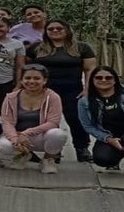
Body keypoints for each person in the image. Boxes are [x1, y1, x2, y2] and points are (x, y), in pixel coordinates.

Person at [26, 19, 96, 162]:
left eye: (59, 28)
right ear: (46, 32)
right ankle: (53, 150)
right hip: (44, 91)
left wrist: (88, 89)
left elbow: (90, 69)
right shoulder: (36, 48)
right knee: (47, 120)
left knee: (76, 119)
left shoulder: (82, 48)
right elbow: (26, 67)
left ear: (67, 30)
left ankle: (81, 148)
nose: (55, 31)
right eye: (51, 29)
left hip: (73, 89)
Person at [0, 64, 67, 174]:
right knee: (2, 146)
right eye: (27, 78)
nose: (32, 81)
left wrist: (26, 133)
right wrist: (15, 140)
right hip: (18, 136)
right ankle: (22, 155)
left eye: (37, 78)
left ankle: (48, 159)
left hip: (41, 136)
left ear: (45, 80)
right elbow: (7, 122)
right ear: (22, 80)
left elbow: (53, 122)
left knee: (58, 134)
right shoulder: (10, 98)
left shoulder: (53, 97)